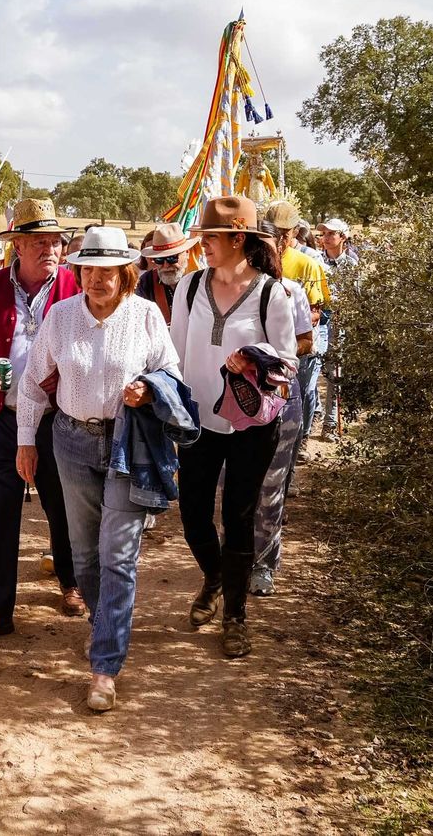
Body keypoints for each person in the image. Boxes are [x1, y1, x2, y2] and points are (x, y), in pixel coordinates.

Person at [19, 227, 184, 711]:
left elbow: (170, 372)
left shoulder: (147, 315)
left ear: (125, 273)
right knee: (85, 555)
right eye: (88, 268)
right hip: (70, 440)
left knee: (118, 556)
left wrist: (149, 390)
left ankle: (104, 666)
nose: (95, 278)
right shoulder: (61, 317)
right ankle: (105, 623)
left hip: (127, 444)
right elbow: (31, 385)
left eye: (106, 270)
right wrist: (27, 442)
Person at [171, 196, 298, 658]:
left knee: (239, 519)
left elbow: (288, 361)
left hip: (251, 426)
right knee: (192, 515)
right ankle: (215, 576)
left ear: (237, 238)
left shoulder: (271, 293)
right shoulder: (188, 287)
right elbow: (174, 355)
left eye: (210, 238)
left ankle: (236, 617)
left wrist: (254, 360)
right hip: (197, 421)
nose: (203, 245)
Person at [0, 198, 85, 646]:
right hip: (3, 419)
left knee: (62, 507)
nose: (52, 250)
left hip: (59, 420)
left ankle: (71, 583)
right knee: (2, 515)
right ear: (19, 246)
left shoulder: (76, 285)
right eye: (41, 242)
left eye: (56, 242)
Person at [251, 219, 316, 597]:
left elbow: (306, 341)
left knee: (271, 487)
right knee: (233, 489)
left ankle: (265, 564)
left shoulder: (291, 292)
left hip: (279, 401)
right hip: (232, 407)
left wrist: (275, 352)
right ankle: (237, 559)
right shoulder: (215, 293)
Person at [265, 201, 330, 452]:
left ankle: (297, 446)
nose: (280, 238)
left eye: (284, 232)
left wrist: (285, 327)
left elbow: (317, 312)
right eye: (274, 232)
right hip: (264, 349)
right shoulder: (255, 259)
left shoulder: (308, 263)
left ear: (295, 231)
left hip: (299, 348)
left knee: (299, 397)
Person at [316, 217, 357, 442]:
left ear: (343, 237)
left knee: (335, 374)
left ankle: (330, 424)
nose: (326, 238)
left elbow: (357, 296)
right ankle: (315, 412)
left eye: (332, 234)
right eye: (324, 234)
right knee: (313, 373)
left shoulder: (352, 265)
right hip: (318, 321)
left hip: (339, 323)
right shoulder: (316, 262)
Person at [136, 222, 197, 324]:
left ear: (187, 253)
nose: (166, 265)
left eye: (172, 258)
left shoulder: (201, 281)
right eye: (159, 259)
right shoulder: (146, 282)